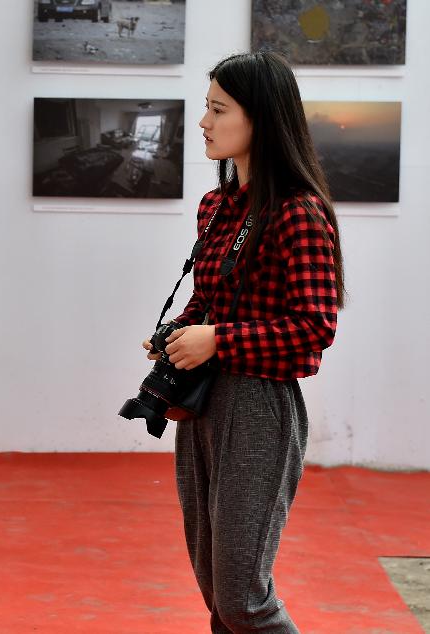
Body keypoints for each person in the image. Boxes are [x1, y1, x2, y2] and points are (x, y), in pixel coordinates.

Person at [142, 52, 345, 633]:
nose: (203, 121)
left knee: (242, 598)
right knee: (215, 591)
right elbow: (211, 299)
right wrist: (181, 333)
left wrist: (217, 341)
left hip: (259, 409)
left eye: (217, 109)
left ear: (259, 117)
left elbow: (314, 330)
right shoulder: (217, 206)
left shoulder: (300, 213)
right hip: (202, 404)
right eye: (206, 107)